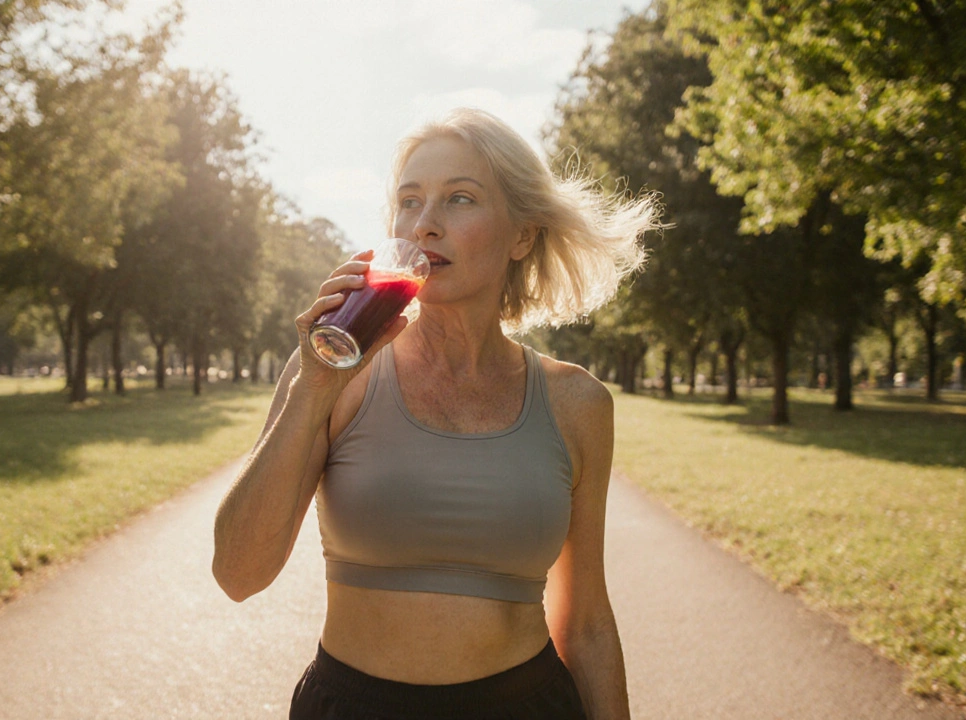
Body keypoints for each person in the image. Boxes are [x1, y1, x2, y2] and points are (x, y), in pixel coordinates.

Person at [212, 108, 659, 719]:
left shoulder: (578, 404)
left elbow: (585, 625)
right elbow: (238, 574)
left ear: (522, 236)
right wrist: (312, 388)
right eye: (410, 201)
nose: (425, 225)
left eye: (460, 200)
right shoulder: (332, 374)